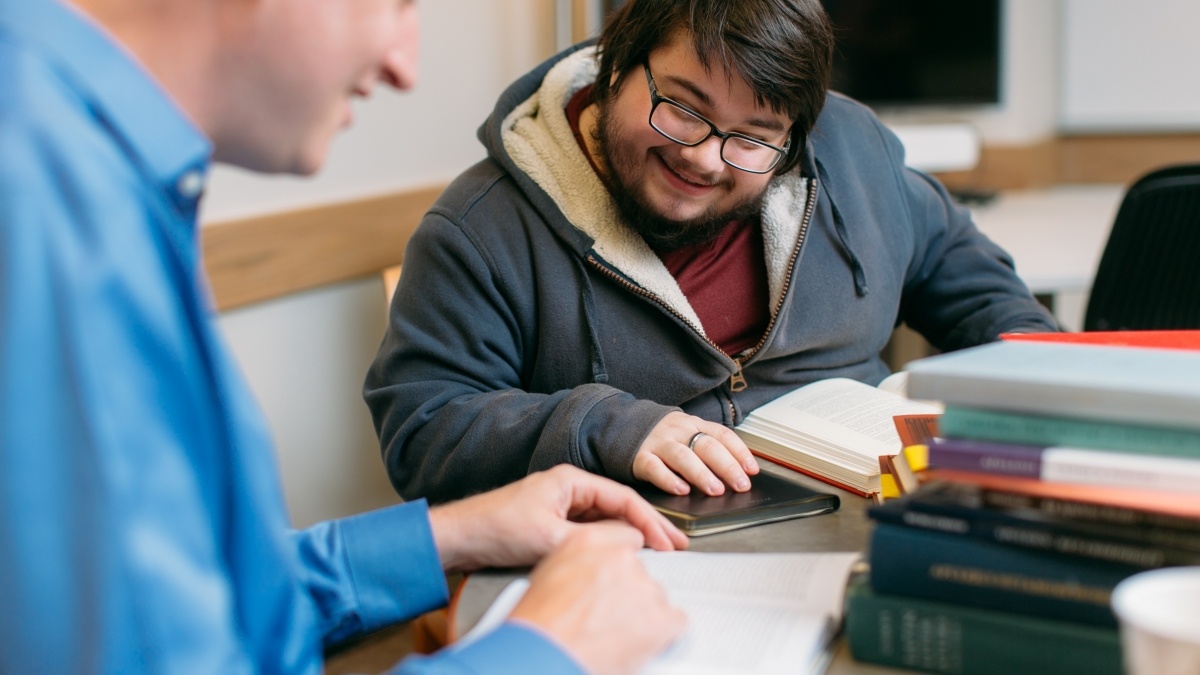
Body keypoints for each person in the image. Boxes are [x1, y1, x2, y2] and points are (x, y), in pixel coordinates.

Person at [0, 0, 689, 673]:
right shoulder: (41, 203)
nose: (404, 64)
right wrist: (550, 651)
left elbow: (207, 607)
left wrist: (445, 536)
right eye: (394, 4)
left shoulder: (77, 160)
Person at [364, 0, 1059, 505]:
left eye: (752, 138)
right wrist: (604, 424)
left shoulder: (853, 153)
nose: (702, 159)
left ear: (795, 141)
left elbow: (965, 276)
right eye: (683, 109)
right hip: (639, 557)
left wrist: (1038, 370)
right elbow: (425, 430)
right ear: (617, 67)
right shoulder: (480, 229)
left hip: (868, 527)